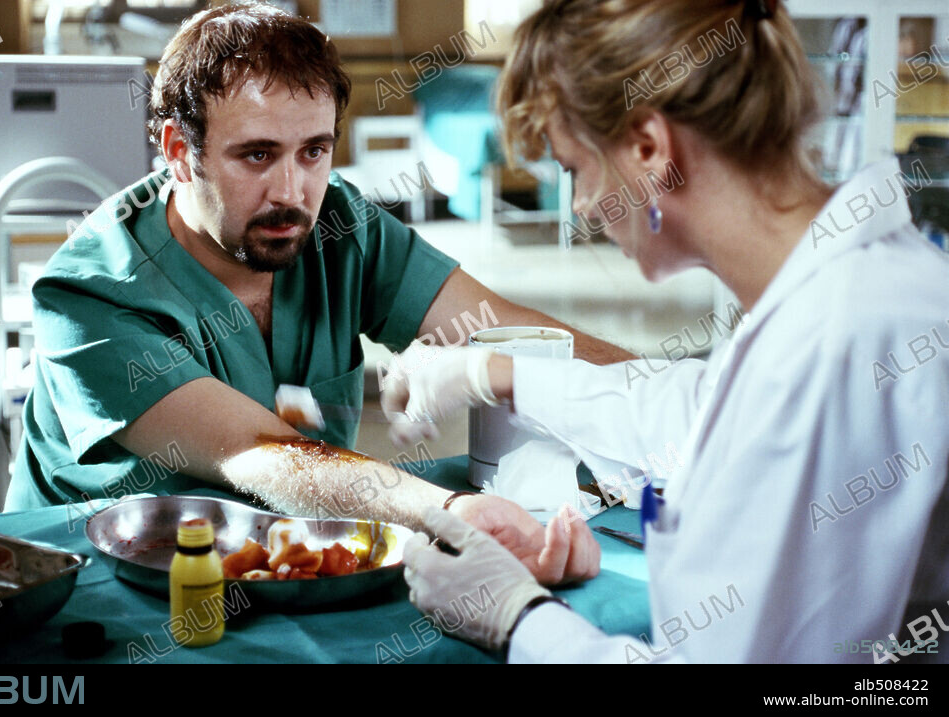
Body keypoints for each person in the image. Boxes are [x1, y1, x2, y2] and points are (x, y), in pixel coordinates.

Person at [392, 0, 949, 662]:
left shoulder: (837, 339)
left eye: (574, 169)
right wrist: (489, 372)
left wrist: (518, 617)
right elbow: (700, 409)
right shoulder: (839, 289)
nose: (583, 207)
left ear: (650, 148)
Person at [3, 3, 626, 585]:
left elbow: (509, 331)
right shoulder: (88, 297)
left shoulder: (339, 226)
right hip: (107, 586)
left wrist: (674, 399)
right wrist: (452, 511)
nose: (291, 191)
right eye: (257, 156)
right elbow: (260, 453)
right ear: (178, 153)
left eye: (314, 152)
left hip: (289, 564)